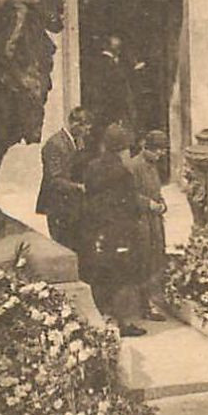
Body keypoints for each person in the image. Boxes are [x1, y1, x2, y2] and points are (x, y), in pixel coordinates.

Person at [82, 123, 149, 337]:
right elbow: (130, 206)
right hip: (120, 233)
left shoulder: (92, 167)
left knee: (101, 276)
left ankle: (105, 318)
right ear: (122, 149)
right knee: (122, 278)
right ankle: (123, 323)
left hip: (96, 231)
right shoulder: (123, 174)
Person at [122, 130, 171, 321]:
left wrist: (162, 203)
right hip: (140, 221)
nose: (161, 155)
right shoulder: (134, 166)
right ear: (147, 148)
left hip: (154, 221)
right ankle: (143, 306)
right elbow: (128, 194)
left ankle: (150, 303)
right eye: (158, 151)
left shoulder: (152, 165)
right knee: (143, 262)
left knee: (155, 260)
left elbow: (156, 190)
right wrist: (148, 204)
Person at [35, 106, 93, 251]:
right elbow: (54, 180)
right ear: (75, 125)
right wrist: (79, 187)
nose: (88, 132)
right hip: (58, 206)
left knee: (76, 245)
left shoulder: (78, 141)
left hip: (73, 206)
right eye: (86, 128)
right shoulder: (54, 144)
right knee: (63, 246)